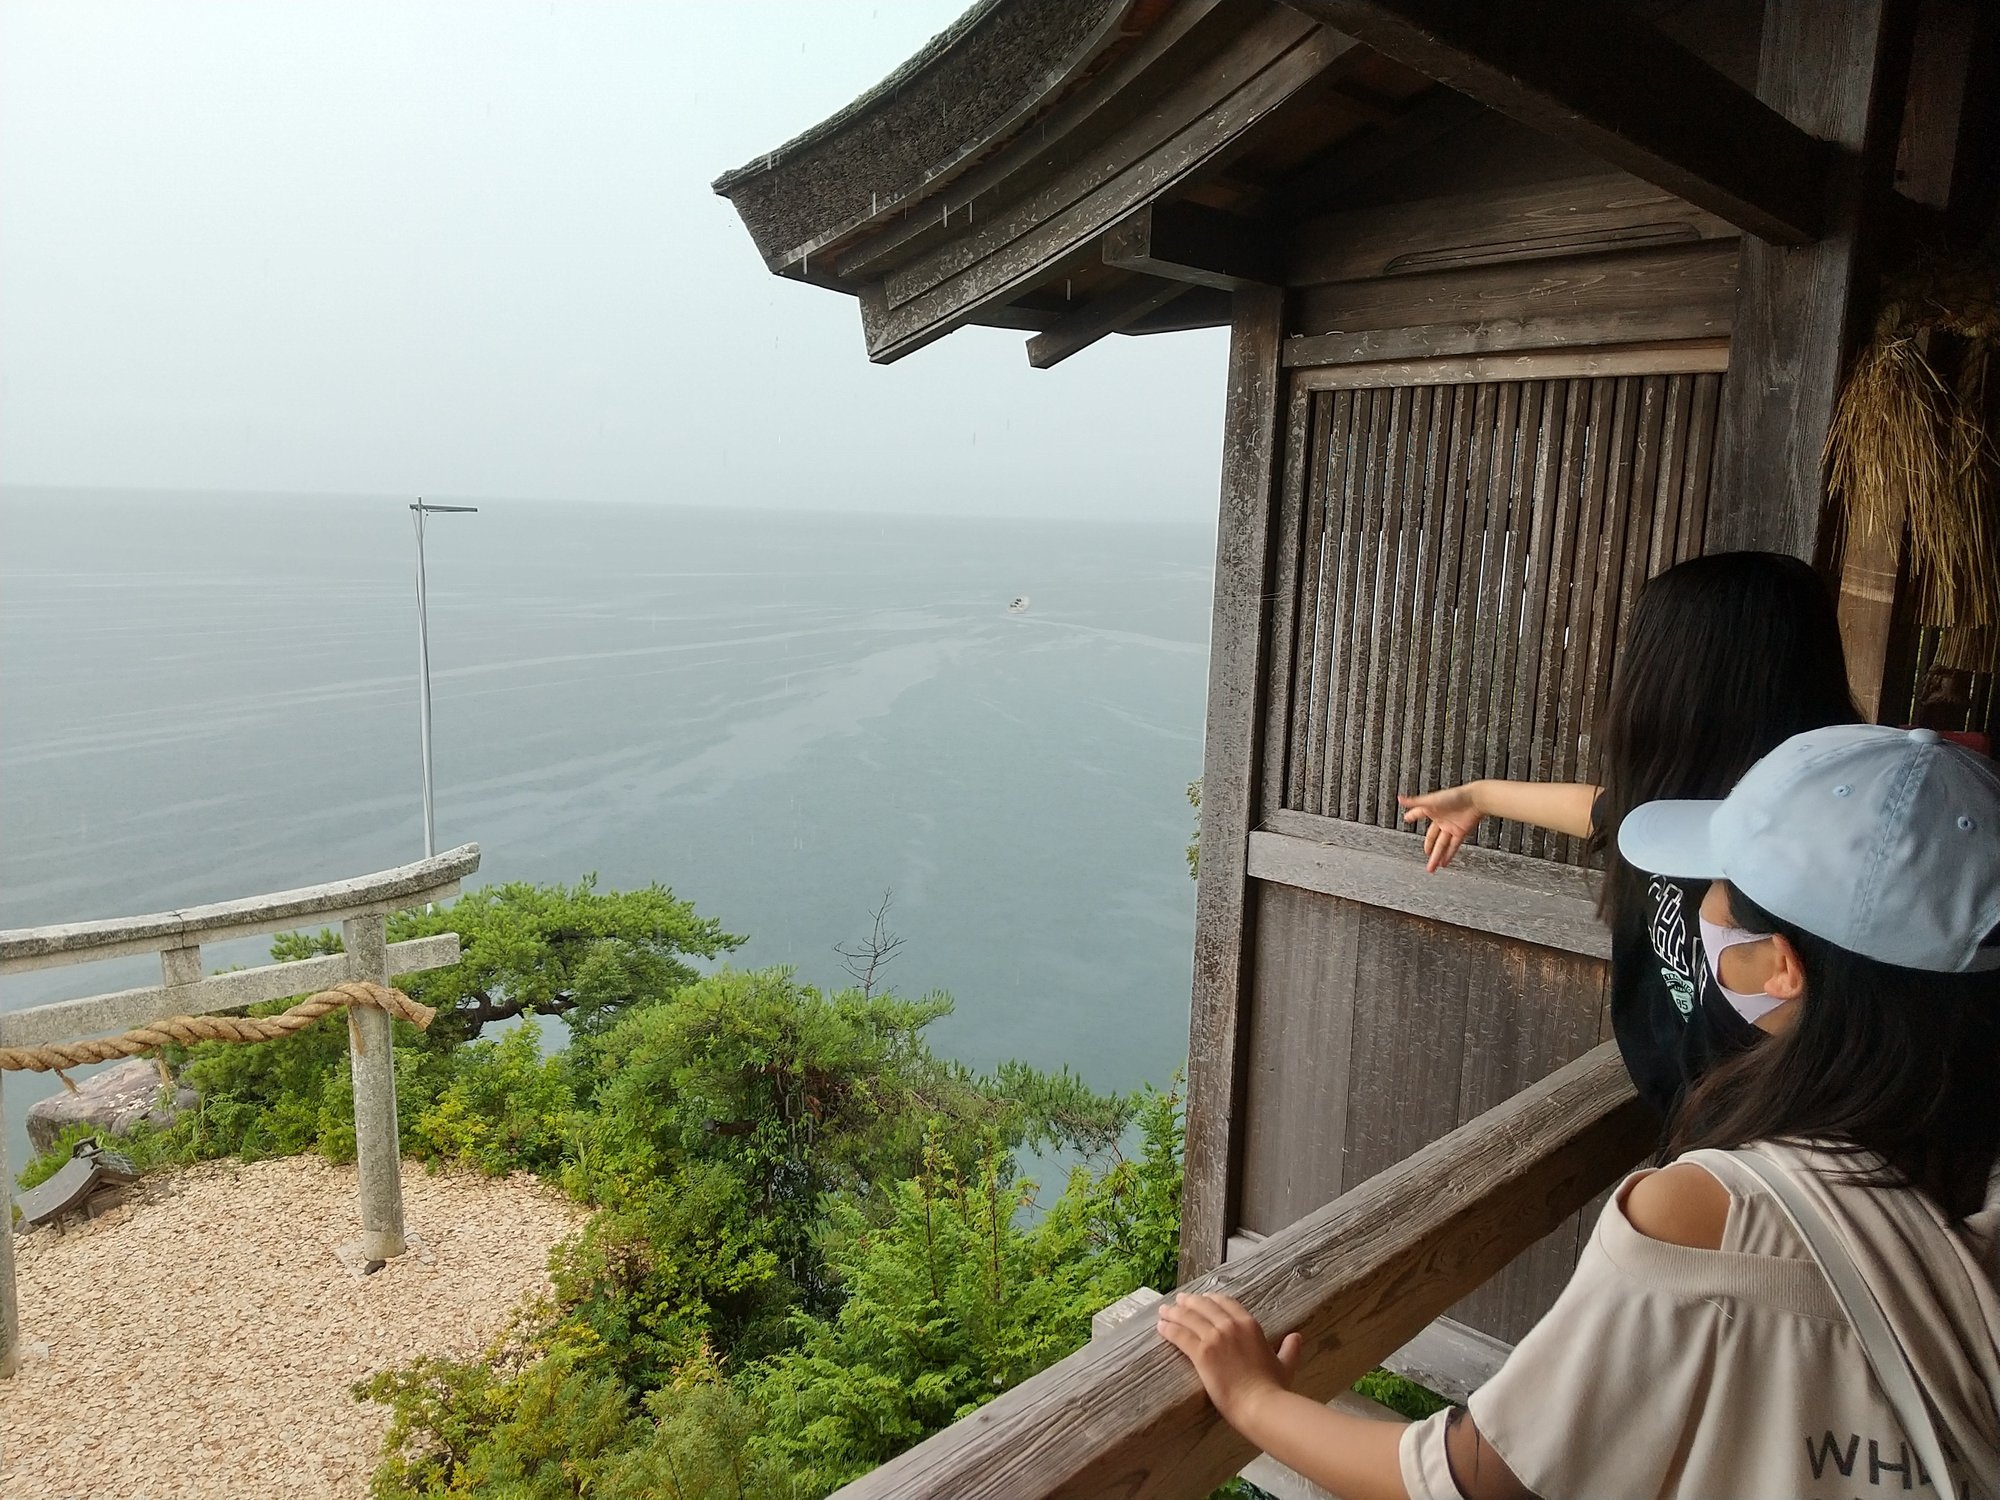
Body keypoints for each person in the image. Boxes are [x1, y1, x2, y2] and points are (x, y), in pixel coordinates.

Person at [1161, 724, 2000, 1500]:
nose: (1701, 903)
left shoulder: (1702, 1217)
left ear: (1782, 964)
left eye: (1718, 884)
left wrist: (1252, 1399)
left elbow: (1471, 1481)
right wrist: (1481, 794)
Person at [1395, 551, 1858, 1120]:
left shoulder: (1802, 865)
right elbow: (1607, 811)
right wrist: (1480, 796)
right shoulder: (1702, 805)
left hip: (1745, 1148)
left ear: (1682, 681)